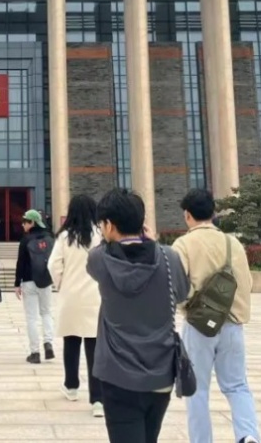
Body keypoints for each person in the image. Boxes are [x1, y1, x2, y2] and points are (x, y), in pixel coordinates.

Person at [86, 188, 187, 443]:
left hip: (118, 374)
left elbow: (102, 250)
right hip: (160, 373)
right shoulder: (169, 257)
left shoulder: (99, 259)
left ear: (109, 225)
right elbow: (183, 292)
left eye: (102, 225)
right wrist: (152, 242)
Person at [172, 188, 261, 443]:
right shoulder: (233, 244)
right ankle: (248, 435)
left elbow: (178, 287)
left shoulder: (183, 244)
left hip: (199, 326)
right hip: (232, 325)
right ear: (213, 213)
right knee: (237, 385)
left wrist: (190, 305)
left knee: (197, 390)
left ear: (187, 215)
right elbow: (246, 283)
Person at [50, 195, 104, 417]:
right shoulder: (100, 234)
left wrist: (61, 283)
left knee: (71, 343)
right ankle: (98, 399)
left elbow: (53, 265)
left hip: (71, 297)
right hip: (96, 297)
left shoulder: (65, 237)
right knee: (95, 347)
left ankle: (71, 386)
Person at [14, 208, 55, 364]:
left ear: (32, 222)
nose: (23, 224)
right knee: (46, 313)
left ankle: (35, 352)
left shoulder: (26, 240)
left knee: (31, 318)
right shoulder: (50, 237)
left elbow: (20, 263)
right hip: (46, 281)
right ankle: (48, 343)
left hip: (29, 281)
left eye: (25, 221)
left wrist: (17, 283)